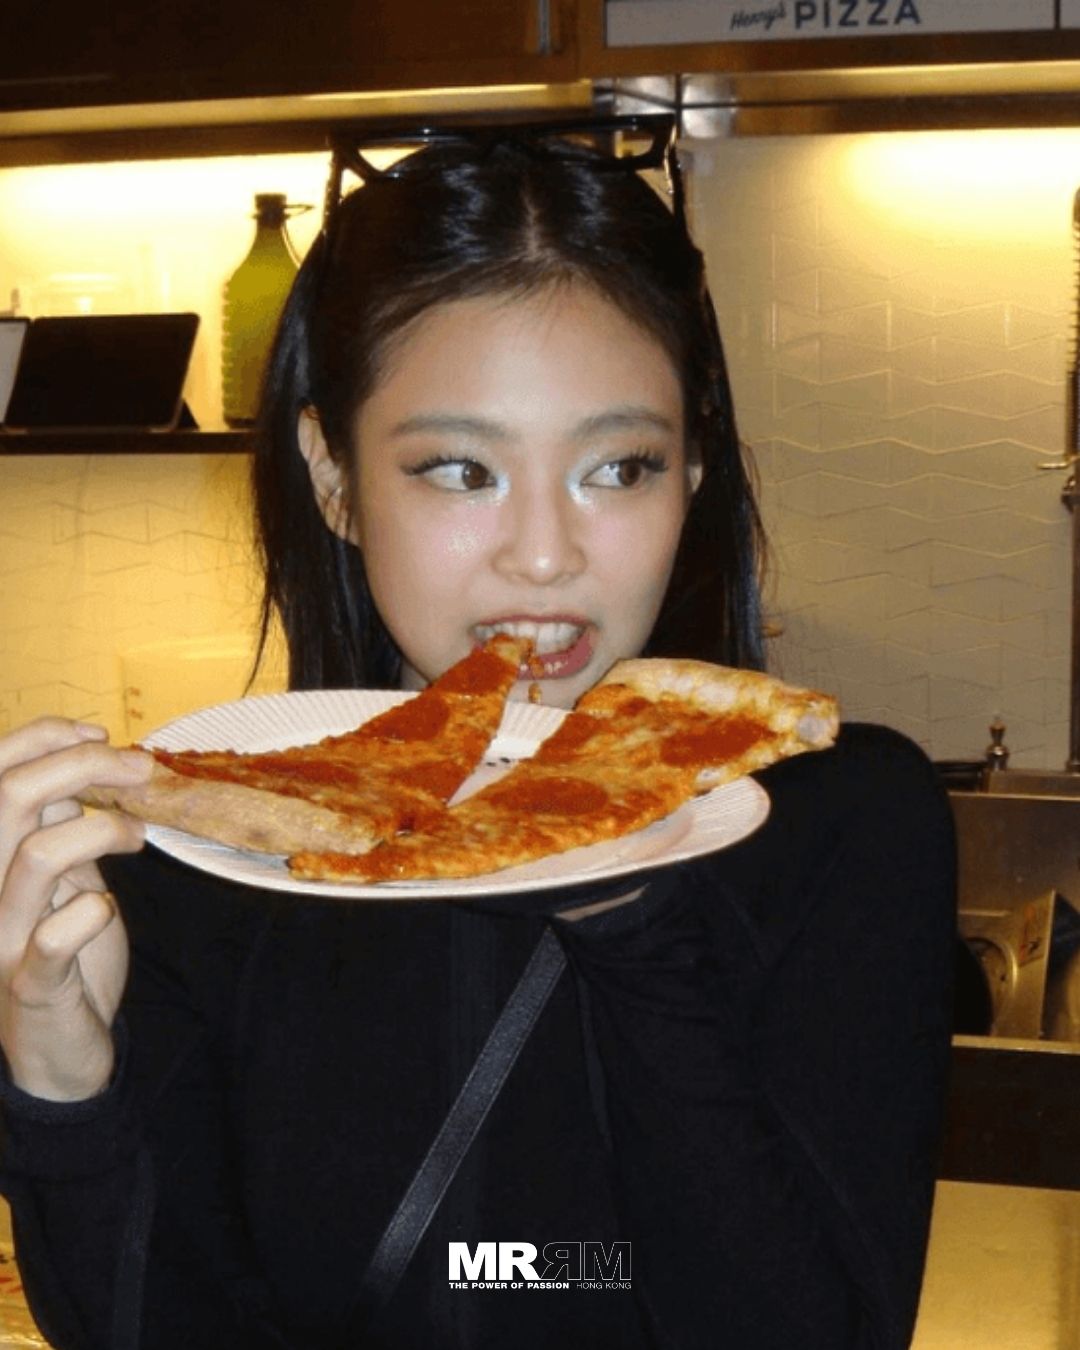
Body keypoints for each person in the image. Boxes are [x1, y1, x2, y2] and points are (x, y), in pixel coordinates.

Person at [0, 115, 956, 1350]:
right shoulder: (211, 854)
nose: (546, 556)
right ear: (334, 479)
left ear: (694, 471)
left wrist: (621, 894)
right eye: (460, 470)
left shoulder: (841, 826)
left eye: (620, 467)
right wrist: (62, 1079)